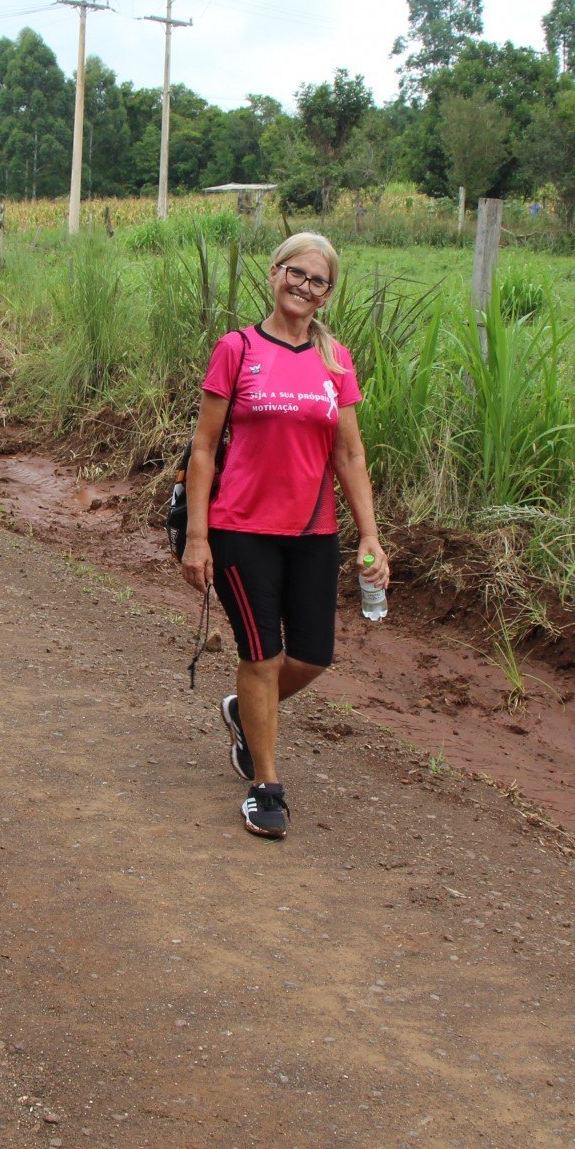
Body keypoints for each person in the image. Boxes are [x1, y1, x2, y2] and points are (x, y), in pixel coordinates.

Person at [179, 233, 389, 841]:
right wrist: (198, 535)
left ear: (328, 294)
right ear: (274, 274)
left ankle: (244, 710)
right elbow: (203, 448)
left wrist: (370, 537)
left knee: (313, 656)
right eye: (296, 273)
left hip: (313, 532)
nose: (304, 286)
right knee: (261, 656)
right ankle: (266, 787)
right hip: (242, 530)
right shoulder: (237, 349)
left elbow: (350, 454)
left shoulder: (335, 361)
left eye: (317, 280)